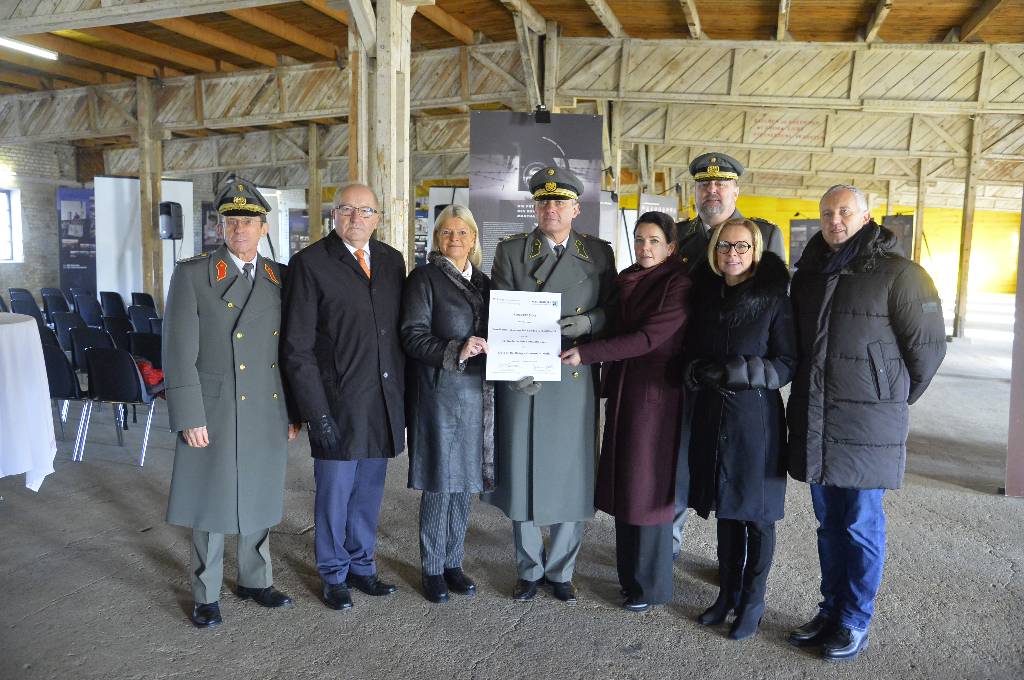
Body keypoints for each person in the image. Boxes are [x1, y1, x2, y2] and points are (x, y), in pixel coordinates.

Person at [786, 185, 946, 661]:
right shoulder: (810, 274)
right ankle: (831, 609)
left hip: (865, 425)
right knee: (829, 524)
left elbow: (928, 353)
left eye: (845, 212)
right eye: (828, 213)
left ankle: (855, 619)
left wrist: (888, 400)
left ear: (866, 216)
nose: (835, 220)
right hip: (818, 419)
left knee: (859, 524)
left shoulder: (903, 275)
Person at [163, 175, 300, 629]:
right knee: (210, 498)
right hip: (213, 404)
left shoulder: (280, 277)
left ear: (265, 227)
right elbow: (178, 351)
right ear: (220, 227)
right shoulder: (193, 274)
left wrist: (293, 410)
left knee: (260, 490)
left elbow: (290, 352)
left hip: (266, 403)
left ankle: (256, 580)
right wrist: (189, 414)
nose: (239, 229)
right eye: (230, 220)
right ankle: (206, 590)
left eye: (248, 221)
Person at [484, 166, 616, 604]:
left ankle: (561, 569)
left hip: (573, 373)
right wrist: (511, 359)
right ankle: (528, 568)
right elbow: (499, 310)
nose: (551, 209)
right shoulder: (511, 251)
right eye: (543, 201)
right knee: (521, 470)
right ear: (534, 208)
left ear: (576, 209)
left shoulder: (598, 253)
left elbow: (614, 310)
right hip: (525, 376)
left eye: (560, 202)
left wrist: (590, 321)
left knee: (571, 473)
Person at [281, 183, 406, 611]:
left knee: (369, 491)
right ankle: (333, 572)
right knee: (334, 493)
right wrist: (314, 412)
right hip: (335, 402)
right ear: (334, 214)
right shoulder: (310, 264)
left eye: (366, 210)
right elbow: (296, 348)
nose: (356, 218)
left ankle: (362, 566)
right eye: (348, 210)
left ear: (378, 217)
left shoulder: (391, 262)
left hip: (382, 400)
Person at [559, 211, 691, 612]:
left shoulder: (678, 283)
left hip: (657, 396)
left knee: (648, 489)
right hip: (628, 391)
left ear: (670, 247)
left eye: (654, 241)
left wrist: (587, 352)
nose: (645, 247)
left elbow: (648, 337)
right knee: (627, 484)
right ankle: (630, 578)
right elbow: (612, 322)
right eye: (640, 240)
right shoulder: (631, 277)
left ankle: (650, 585)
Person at [671, 151, 787, 561]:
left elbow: (771, 308)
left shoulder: (765, 234)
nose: (712, 191)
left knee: (737, 472)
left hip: (737, 375)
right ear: (696, 191)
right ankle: (670, 548)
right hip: (687, 368)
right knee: (681, 456)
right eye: (704, 184)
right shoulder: (680, 236)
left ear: (736, 189)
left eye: (721, 184)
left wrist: (748, 369)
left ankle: (734, 572)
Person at [685, 217, 796, 640]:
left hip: (756, 419)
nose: (732, 254)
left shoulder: (774, 300)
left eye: (742, 247)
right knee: (726, 510)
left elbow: (787, 363)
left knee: (758, 514)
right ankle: (727, 594)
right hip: (713, 412)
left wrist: (742, 371)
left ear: (756, 252)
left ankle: (752, 602)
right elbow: (691, 350)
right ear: (715, 251)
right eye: (725, 247)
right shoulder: (705, 296)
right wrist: (696, 370)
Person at [401, 204, 492, 604]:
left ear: (474, 239)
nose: (454, 240)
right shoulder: (424, 278)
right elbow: (412, 335)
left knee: (465, 482)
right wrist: (457, 347)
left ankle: (454, 561)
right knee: (441, 481)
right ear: (437, 239)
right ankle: (432, 567)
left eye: (462, 233)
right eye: (446, 233)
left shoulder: (486, 283)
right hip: (439, 391)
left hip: (477, 394)